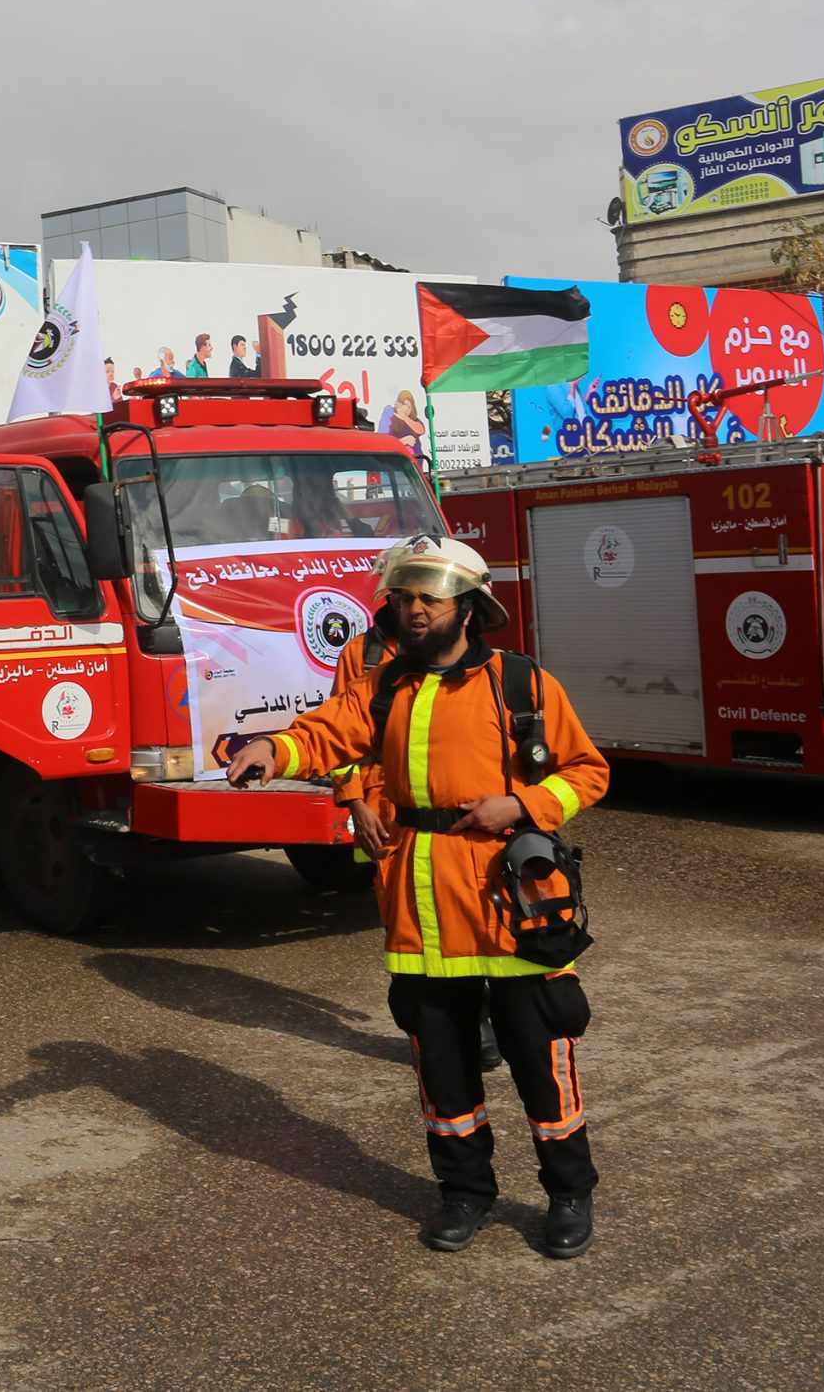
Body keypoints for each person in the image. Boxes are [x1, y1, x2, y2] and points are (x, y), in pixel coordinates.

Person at [226, 537, 609, 1258]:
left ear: (466, 606)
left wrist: (523, 806)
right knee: (445, 1071)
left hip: (512, 911)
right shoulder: (384, 685)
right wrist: (274, 750)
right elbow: (327, 733)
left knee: (540, 1059)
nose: (413, 608)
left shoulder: (522, 683)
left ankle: (568, 1192)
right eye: (403, 596)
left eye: (428, 597)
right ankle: (464, 1194)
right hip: (421, 911)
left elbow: (588, 770)